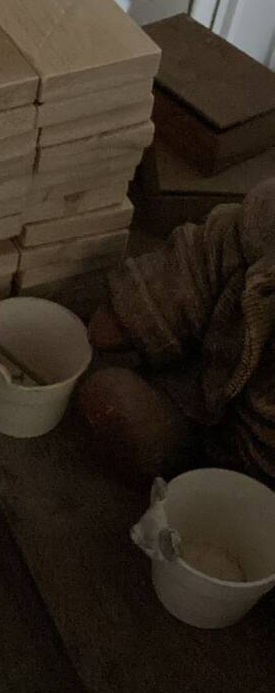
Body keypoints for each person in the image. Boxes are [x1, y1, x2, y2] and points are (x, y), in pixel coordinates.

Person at [78, 180, 275, 486]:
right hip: (213, 369)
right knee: (116, 381)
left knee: (240, 494)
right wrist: (142, 300)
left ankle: (217, 474)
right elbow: (220, 244)